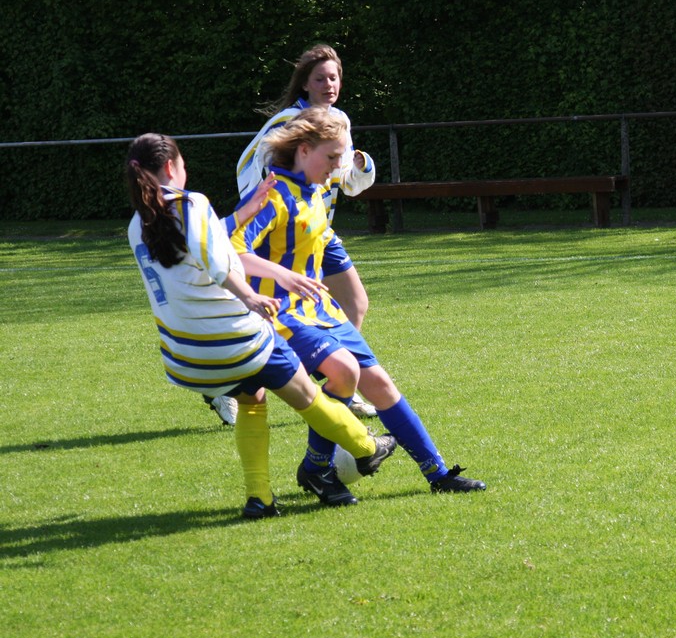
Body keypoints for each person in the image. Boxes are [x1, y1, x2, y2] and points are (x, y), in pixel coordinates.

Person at [126, 132, 397, 519]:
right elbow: (217, 263)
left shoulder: (139, 223)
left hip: (184, 357)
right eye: (183, 163)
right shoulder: (192, 203)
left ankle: (260, 500)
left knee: (252, 401)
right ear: (171, 166)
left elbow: (199, 242)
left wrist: (244, 213)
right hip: (234, 341)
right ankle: (367, 448)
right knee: (309, 396)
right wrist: (251, 297)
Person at [230, 106, 486, 503]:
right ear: (303, 150)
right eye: (331, 157)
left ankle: (437, 474)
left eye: (341, 157)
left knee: (380, 384)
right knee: (342, 372)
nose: (338, 166)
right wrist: (283, 276)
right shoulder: (273, 194)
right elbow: (230, 249)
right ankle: (318, 468)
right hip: (281, 314)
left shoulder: (315, 192)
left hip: (320, 310)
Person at [204, 44, 377, 425]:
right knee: (265, 319)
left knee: (355, 303)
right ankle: (226, 386)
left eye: (334, 77)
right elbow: (248, 164)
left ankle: (338, 381)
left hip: (319, 232)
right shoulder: (287, 121)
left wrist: (362, 166)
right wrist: (262, 209)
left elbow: (348, 184)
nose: (329, 84)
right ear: (305, 84)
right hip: (283, 235)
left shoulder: (340, 121)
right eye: (320, 78)